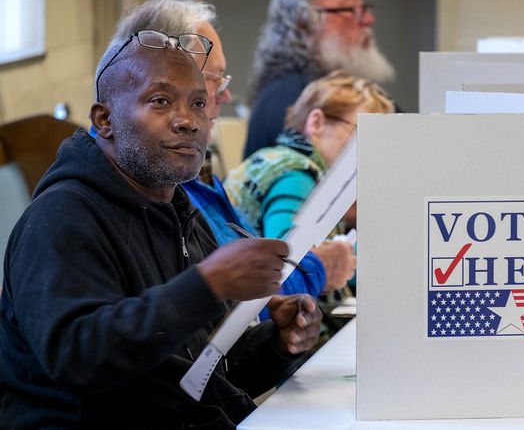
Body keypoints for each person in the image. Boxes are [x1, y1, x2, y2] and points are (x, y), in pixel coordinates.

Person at [0, 30, 321, 429]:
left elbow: (199, 378)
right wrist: (208, 285)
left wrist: (277, 344)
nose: (188, 121)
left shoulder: (178, 211)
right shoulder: (61, 217)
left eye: (199, 103)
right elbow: (77, 359)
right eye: (160, 101)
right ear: (105, 120)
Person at [108, 0, 354, 301]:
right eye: (213, 81)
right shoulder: (153, 184)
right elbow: (234, 298)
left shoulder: (190, 177)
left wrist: (274, 341)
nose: (222, 98)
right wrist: (318, 269)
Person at [224, 70, 393, 244]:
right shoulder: (296, 175)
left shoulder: (278, 161)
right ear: (316, 123)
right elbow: (293, 260)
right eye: (361, 131)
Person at [244, 0, 396, 157]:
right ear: (306, 21)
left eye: (364, 7)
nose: (367, 19)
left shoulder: (326, 86)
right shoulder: (291, 95)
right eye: (351, 9)